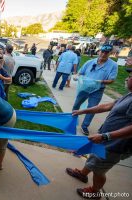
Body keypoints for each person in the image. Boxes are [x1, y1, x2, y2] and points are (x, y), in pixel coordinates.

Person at [66, 65, 132, 199]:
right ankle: (83, 174)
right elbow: (106, 106)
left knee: (99, 169)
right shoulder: (129, 95)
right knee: (94, 158)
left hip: (115, 145)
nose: (126, 78)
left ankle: (95, 192)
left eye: (130, 77)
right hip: (106, 139)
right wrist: (82, 111)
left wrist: (105, 136)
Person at [72, 44, 118, 135]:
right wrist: (77, 77)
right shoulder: (90, 62)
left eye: (106, 52)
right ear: (99, 51)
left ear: (110, 53)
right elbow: (80, 73)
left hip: (98, 90)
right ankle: (73, 118)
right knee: (77, 104)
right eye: (102, 51)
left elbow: (111, 80)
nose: (103, 54)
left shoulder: (113, 65)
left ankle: (85, 126)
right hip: (85, 88)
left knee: (92, 108)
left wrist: (99, 81)